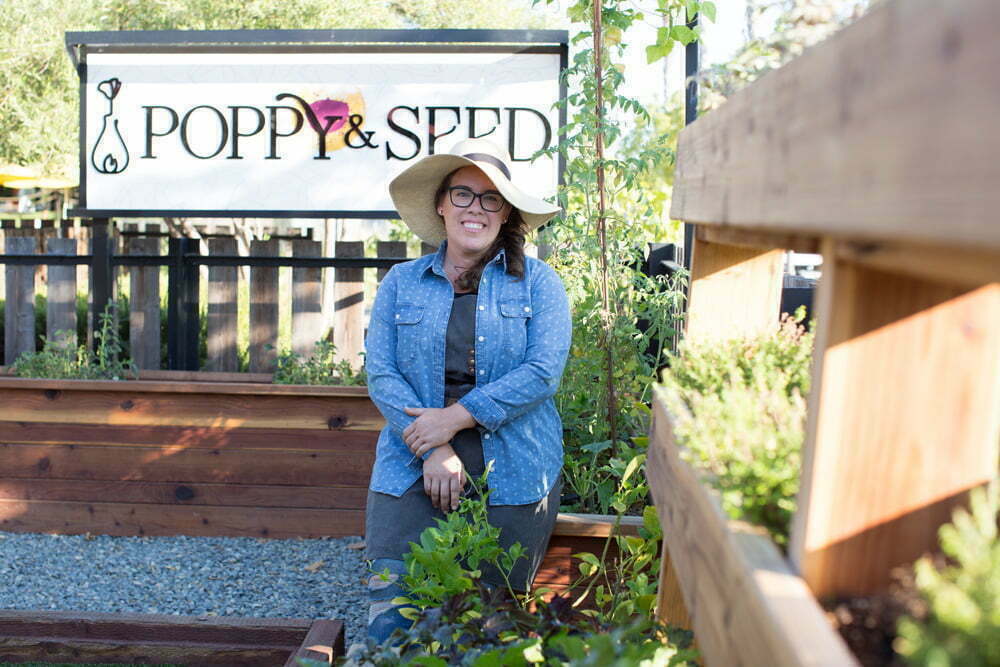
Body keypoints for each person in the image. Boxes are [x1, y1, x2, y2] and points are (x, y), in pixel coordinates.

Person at [363, 137, 571, 643]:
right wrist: (435, 444)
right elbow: (381, 373)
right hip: (415, 456)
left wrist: (455, 418)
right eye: (463, 194)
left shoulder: (540, 284)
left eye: (490, 198)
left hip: (517, 464)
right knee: (392, 612)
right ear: (441, 205)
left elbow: (543, 371)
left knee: (492, 623)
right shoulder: (400, 282)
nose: (475, 208)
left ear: (506, 214)